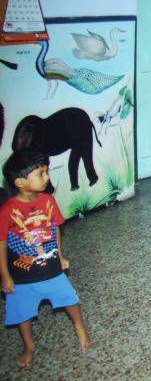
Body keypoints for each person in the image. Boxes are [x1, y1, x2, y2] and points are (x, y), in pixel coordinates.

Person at [0, 150, 90, 369]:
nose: (47, 177)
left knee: (70, 299)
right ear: (20, 182)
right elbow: (1, 243)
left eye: (46, 171)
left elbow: (55, 228)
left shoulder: (48, 201)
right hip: (22, 275)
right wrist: (5, 275)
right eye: (40, 173)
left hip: (52, 269)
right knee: (22, 312)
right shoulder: (7, 211)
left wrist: (60, 255)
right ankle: (29, 346)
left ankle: (79, 326)